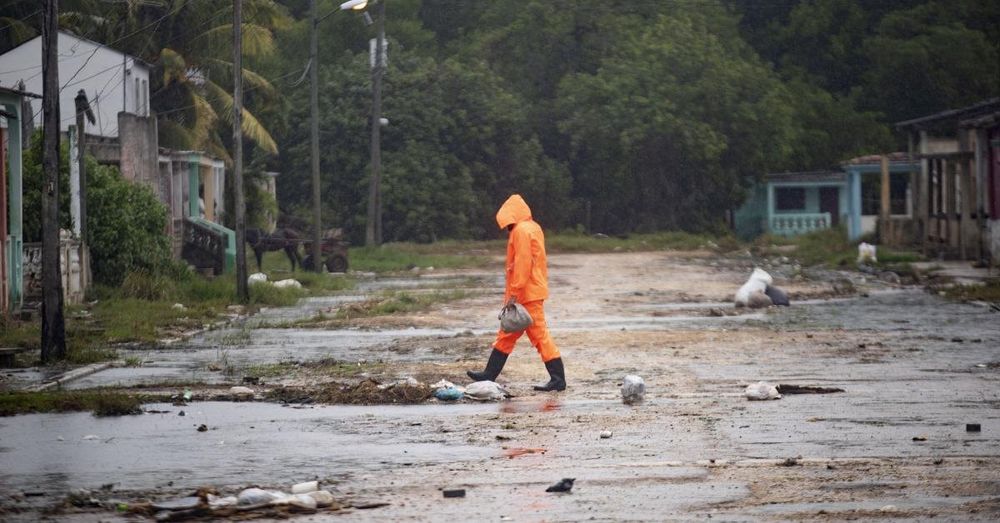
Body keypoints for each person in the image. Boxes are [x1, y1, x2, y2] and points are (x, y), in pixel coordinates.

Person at [467, 194, 566, 391]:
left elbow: (522, 263)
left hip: (526, 294)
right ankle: (489, 374)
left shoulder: (521, 231)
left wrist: (514, 292)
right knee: (507, 334)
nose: (506, 229)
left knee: (538, 336)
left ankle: (558, 379)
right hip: (531, 291)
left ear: (511, 217)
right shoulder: (533, 227)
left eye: (507, 225)